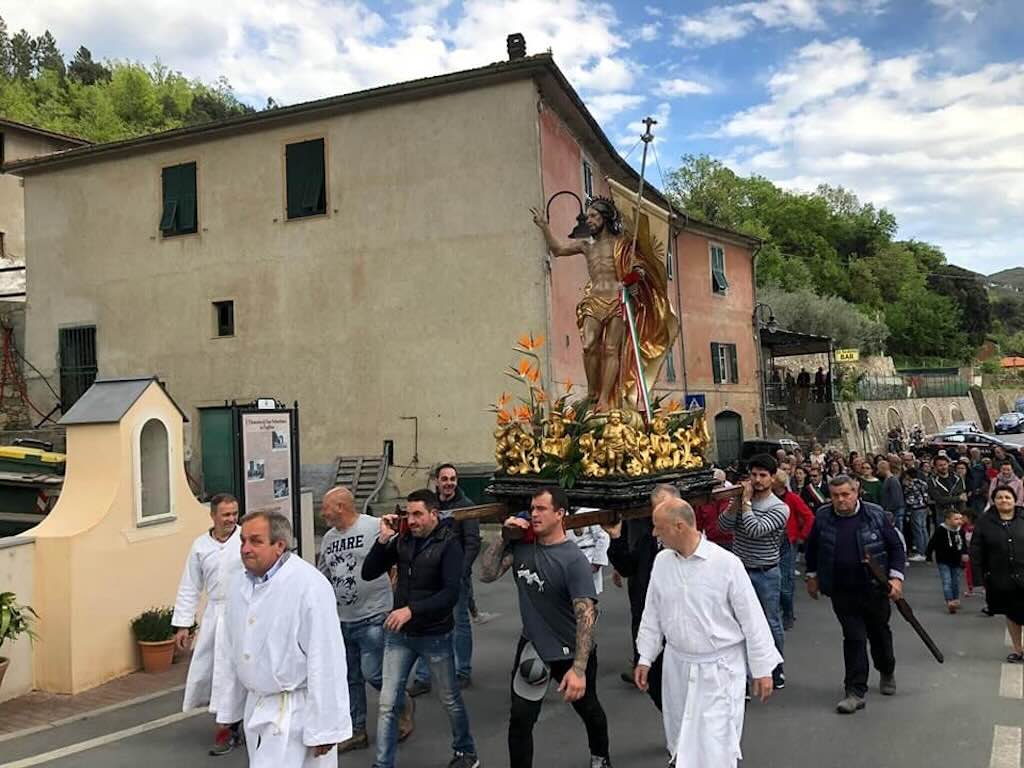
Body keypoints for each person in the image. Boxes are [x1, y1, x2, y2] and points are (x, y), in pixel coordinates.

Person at [635, 497, 780, 767]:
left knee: (716, 745)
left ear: (679, 527)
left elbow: (752, 620)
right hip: (677, 666)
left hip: (719, 670)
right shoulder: (662, 562)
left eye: (659, 527)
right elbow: (653, 612)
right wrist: (645, 656)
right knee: (680, 739)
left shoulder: (726, 564)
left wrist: (761, 670)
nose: (654, 533)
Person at [479, 486, 611, 768]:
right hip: (534, 647)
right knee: (520, 720)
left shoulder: (573, 559)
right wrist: (503, 537)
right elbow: (487, 573)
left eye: (541, 509)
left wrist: (578, 669)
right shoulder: (523, 545)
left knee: (589, 710)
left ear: (560, 514)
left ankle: (601, 758)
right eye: (532, 508)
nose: (533, 514)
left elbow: (586, 616)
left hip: (570, 650)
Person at [214, 512, 350, 767]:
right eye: (243, 541)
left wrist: (326, 727)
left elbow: (326, 658)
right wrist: (228, 708)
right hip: (257, 706)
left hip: (295, 711)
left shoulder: (309, 586)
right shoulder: (238, 585)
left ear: (279, 545)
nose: (245, 549)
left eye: (255, 541)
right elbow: (231, 650)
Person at [361, 490, 480, 768]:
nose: (411, 521)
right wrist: (382, 540)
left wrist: (411, 610)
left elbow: (450, 593)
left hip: (435, 635)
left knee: (450, 699)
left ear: (433, 514)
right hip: (400, 637)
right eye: (408, 514)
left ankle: (466, 752)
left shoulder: (449, 545)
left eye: (418, 514)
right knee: (388, 705)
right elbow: (369, 572)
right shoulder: (402, 540)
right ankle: (383, 764)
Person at [530, 197, 676, 412]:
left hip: (618, 299)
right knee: (589, 345)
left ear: (605, 218)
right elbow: (558, 250)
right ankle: (592, 393)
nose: (588, 220)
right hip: (594, 299)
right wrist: (544, 226)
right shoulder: (586, 246)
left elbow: (639, 268)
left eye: (593, 216)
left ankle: (604, 399)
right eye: (587, 216)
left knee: (610, 349)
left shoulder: (622, 244)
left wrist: (634, 278)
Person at [318, 487, 414, 753]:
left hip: (374, 614)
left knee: (373, 673)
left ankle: (402, 702)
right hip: (342, 618)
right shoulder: (328, 539)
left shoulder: (374, 527)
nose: (322, 512)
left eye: (326, 507)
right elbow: (322, 576)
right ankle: (356, 730)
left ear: (340, 506)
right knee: (350, 677)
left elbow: (398, 554)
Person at [804, 475, 905, 714]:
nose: (841, 500)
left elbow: (896, 548)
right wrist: (812, 576)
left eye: (845, 495)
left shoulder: (876, 515)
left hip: (874, 589)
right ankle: (855, 691)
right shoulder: (823, 517)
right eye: (836, 496)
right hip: (842, 590)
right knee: (854, 638)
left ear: (856, 493)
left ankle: (886, 669)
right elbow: (813, 548)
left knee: (879, 634)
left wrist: (896, 578)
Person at [172, 493, 245, 755]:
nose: (231, 519)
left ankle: (242, 724)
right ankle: (227, 728)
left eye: (234, 513)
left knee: (246, 670)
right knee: (221, 673)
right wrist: (183, 625)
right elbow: (190, 586)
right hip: (216, 616)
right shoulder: (200, 546)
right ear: (213, 515)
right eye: (225, 514)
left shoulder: (245, 540)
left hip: (245, 613)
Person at [718, 453, 789, 689]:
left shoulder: (779, 508)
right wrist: (735, 505)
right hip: (740, 570)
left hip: (766, 572)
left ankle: (775, 667)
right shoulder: (740, 502)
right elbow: (723, 526)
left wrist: (745, 503)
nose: (757, 480)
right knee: (739, 623)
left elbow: (755, 529)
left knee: (770, 622)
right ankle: (744, 674)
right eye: (754, 475)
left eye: (762, 475)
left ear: (771, 478)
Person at [409, 464, 481, 696]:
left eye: (452, 479)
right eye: (444, 479)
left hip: (456, 576)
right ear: (437, 481)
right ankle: (423, 676)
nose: (449, 482)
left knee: (459, 624)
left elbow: (472, 542)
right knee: (426, 623)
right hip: (430, 575)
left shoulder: (467, 507)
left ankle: (462, 672)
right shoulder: (430, 505)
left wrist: (459, 572)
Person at [605, 483, 677, 709]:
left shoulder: (697, 550)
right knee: (655, 686)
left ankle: (686, 736)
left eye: (664, 507)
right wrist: (616, 538)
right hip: (649, 618)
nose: (658, 514)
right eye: (655, 508)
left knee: (680, 687)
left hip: (679, 629)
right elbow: (628, 567)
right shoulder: (648, 541)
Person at [971, 486, 1024, 662]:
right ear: (994, 501)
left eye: (1008, 497)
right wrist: (978, 581)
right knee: (1013, 614)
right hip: (1002, 578)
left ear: (1014, 499)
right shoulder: (984, 522)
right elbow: (976, 552)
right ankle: (1018, 650)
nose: (1004, 500)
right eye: (999, 497)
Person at [773, 471, 814, 631]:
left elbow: (809, 517)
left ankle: (788, 613)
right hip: (770, 543)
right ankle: (778, 612)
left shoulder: (792, 499)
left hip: (788, 542)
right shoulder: (765, 498)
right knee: (774, 581)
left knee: (785, 581)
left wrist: (801, 536)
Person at [925, 509, 968, 613]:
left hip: (957, 560)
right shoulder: (941, 530)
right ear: (947, 520)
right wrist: (929, 556)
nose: (959, 521)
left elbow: (963, 543)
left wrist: (965, 553)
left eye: (960, 519)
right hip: (943, 560)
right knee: (947, 581)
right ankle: (950, 601)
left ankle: (956, 599)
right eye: (956, 519)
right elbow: (932, 543)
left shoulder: (960, 530)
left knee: (956, 581)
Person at [693, 469, 734, 550]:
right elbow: (698, 523)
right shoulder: (703, 500)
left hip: (731, 541)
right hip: (711, 542)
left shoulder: (732, 497)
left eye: (719, 483)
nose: (716, 486)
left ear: (724, 482)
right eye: (714, 483)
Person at [567, 523, 612, 594]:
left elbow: (603, 536)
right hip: (566, 560)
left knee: (587, 600)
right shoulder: (559, 513)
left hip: (587, 558)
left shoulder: (588, 512)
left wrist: (596, 563)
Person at [928, 455, 965, 528]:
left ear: (948, 464)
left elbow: (963, 496)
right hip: (943, 515)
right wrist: (957, 498)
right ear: (935, 467)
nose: (943, 467)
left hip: (958, 513)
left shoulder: (957, 478)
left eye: (945, 464)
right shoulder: (932, 481)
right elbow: (939, 499)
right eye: (940, 465)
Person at [903, 467, 931, 561]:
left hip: (915, 508)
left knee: (917, 530)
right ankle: (927, 550)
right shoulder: (923, 483)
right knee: (923, 529)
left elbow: (909, 499)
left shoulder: (910, 485)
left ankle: (921, 552)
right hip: (924, 507)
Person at [877, 459, 906, 536]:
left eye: (879, 469)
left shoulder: (892, 480)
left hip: (895, 512)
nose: (878, 472)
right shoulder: (888, 480)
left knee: (898, 533)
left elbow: (896, 498)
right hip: (893, 511)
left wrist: (888, 509)